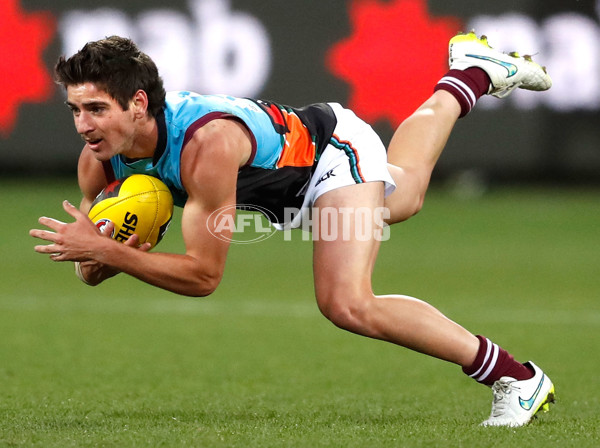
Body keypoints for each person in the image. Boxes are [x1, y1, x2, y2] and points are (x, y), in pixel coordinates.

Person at [30, 31, 555, 426]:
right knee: (409, 191)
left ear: (138, 103)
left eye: (96, 108)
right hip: (288, 190)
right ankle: (470, 74)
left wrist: (113, 253)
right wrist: (101, 252)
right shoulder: (97, 161)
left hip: (331, 153)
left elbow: (204, 276)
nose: (83, 125)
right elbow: (90, 268)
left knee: (346, 302)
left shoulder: (204, 146)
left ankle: (516, 377)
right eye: (75, 109)